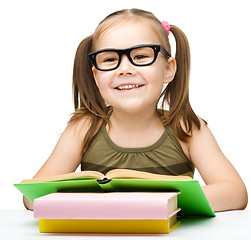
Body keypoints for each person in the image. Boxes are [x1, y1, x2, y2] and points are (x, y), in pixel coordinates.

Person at [23, 8, 248, 211]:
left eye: (140, 56)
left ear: (168, 69)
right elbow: (32, 198)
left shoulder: (187, 129)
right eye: (110, 59)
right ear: (95, 75)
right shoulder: (84, 128)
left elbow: (236, 194)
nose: (125, 69)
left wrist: (157, 203)